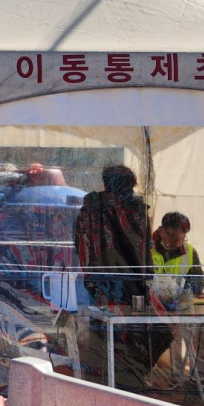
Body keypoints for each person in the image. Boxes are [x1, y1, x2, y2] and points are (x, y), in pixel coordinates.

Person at [74, 164, 171, 390]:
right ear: (130, 184)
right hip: (129, 283)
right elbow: (143, 249)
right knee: (154, 332)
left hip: (95, 283)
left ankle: (108, 380)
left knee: (105, 332)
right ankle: (130, 380)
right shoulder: (134, 209)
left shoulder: (88, 209)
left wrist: (89, 276)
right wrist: (149, 281)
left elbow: (80, 245)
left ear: (106, 183)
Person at [151, 211, 204, 308]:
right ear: (161, 230)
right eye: (173, 237)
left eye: (183, 237)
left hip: (178, 307)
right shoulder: (146, 248)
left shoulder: (190, 252)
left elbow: (198, 282)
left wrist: (183, 290)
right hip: (150, 307)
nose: (178, 243)